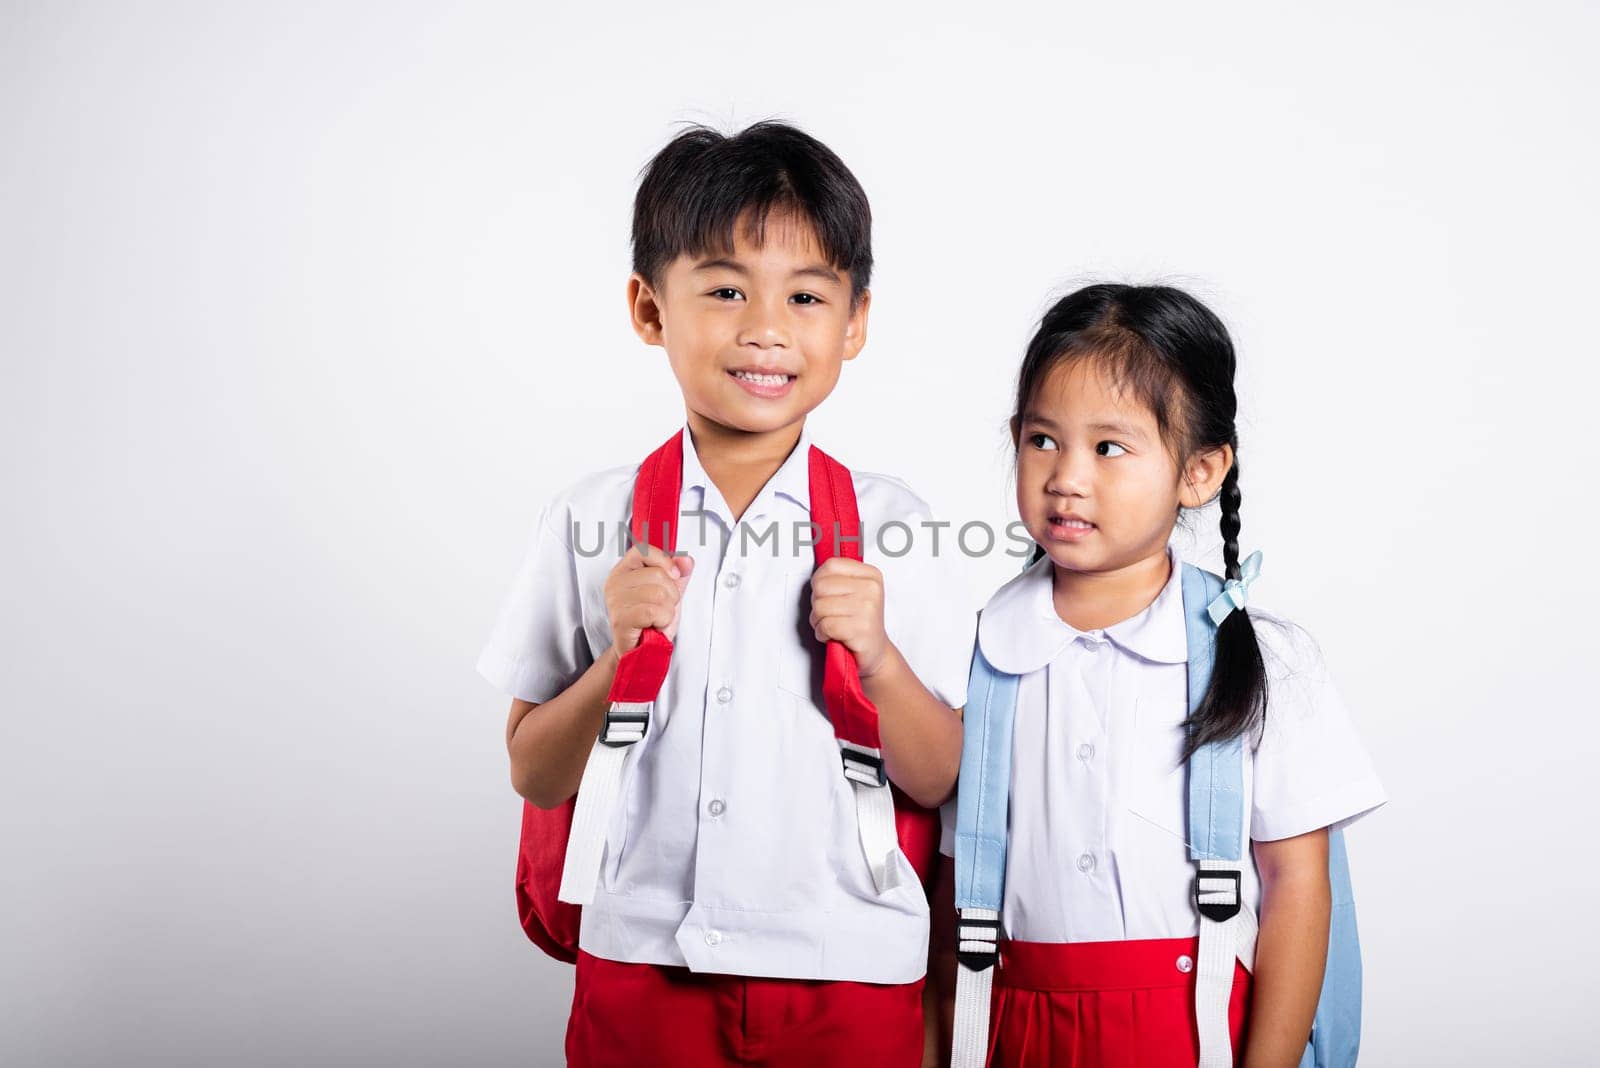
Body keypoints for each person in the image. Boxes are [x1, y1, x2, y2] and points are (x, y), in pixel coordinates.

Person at [477, 120, 973, 1067]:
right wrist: (619, 658)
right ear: (650, 307)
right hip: (642, 961)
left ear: (855, 322)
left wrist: (879, 659)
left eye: (806, 296)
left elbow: (941, 775)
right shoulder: (592, 520)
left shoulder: (895, 525)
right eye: (724, 289)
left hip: (850, 966)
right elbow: (534, 773)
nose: (766, 328)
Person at [930, 283, 1386, 1067]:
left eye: (1109, 448)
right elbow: (954, 891)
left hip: (1197, 1031)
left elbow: (1297, 891)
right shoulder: (971, 653)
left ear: (1200, 472)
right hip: (1014, 1030)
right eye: (1043, 440)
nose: (1067, 476)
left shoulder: (1266, 659)